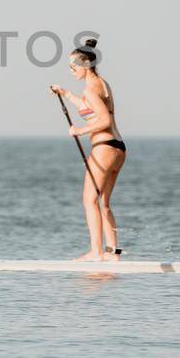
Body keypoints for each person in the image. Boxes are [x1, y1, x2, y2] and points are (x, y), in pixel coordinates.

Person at [48, 38, 128, 261]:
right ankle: (113, 253)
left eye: (73, 68)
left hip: (103, 148)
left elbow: (102, 121)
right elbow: (89, 109)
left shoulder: (90, 90)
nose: (71, 72)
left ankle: (96, 252)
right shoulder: (101, 84)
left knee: (89, 199)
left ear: (84, 66)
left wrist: (79, 131)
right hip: (118, 148)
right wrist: (65, 93)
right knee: (103, 202)